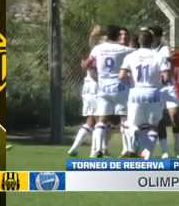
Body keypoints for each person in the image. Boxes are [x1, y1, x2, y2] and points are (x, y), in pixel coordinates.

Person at [82, 25, 134, 157]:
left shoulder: (97, 49)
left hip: (104, 89)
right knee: (125, 118)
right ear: (117, 36)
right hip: (120, 88)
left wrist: (91, 70)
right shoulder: (125, 50)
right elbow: (138, 54)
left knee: (102, 120)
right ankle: (128, 149)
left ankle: (97, 150)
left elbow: (87, 64)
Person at [119, 28, 171, 159]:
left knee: (131, 123)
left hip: (136, 92)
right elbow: (166, 76)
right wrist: (162, 83)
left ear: (138, 41)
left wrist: (130, 83)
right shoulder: (158, 56)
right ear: (152, 41)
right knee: (153, 126)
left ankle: (134, 136)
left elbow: (121, 75)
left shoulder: (130, 56)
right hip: (153, 92)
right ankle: (146, 153)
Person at [67, 25, 103, 157]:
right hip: (96, 87)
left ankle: (74, 148)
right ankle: (95, 151)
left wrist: (93, 35)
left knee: (90, 120)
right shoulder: (101, 54)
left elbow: (91, 49)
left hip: (87, 87)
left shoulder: (94, 54)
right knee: (100, 120)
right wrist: (93, 35)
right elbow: (93, 46)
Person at [149, 25, 179, 159]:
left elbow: (169, 63)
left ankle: (178, 144)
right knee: (160, 119)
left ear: (157, 37)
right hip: (155, 87)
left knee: (175, 115)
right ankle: (164, 150)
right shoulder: (146, 50)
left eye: (152, 35)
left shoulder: (164, 49)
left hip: (168, 86)